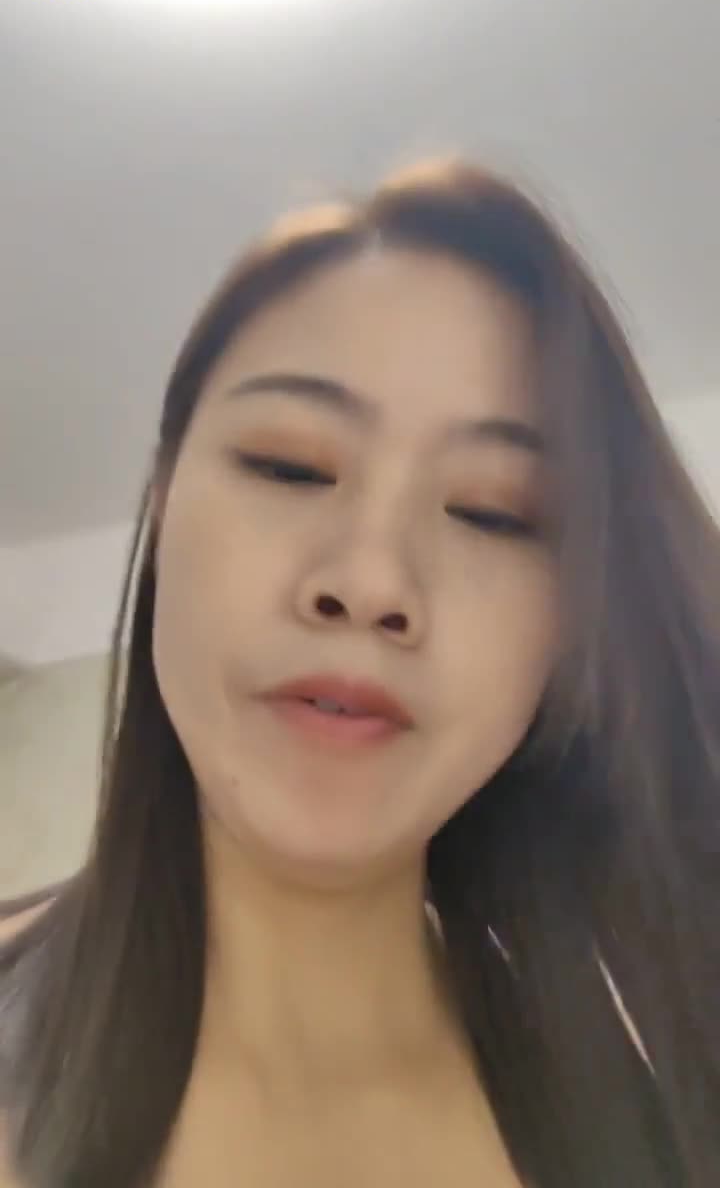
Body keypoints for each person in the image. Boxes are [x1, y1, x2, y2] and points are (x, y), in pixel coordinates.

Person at [0, 157, 717, 1188]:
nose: (373, 581)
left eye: (494, 511)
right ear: (163, 501)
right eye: (290, 465)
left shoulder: (661, 1103)